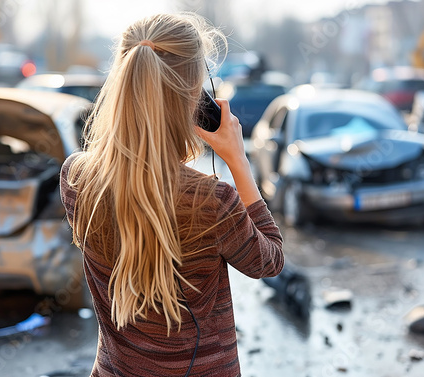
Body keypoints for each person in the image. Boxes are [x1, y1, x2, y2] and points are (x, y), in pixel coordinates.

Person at [59, 13, 284, 377]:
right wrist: (239, 161)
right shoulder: (212, 200)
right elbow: (269, 261)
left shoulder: (76, 177)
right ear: (194, 97)